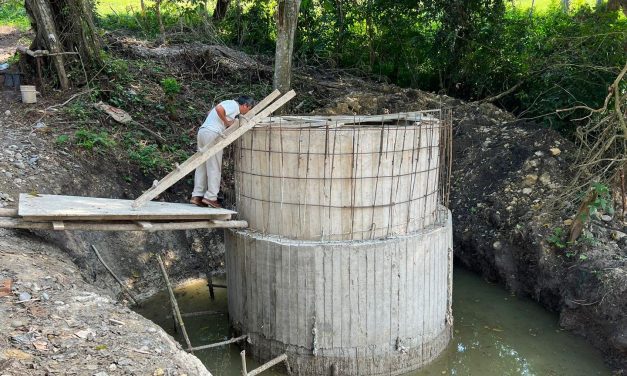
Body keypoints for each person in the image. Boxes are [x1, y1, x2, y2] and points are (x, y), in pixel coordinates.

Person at [191, 96, 254, 208]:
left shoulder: (228, 103)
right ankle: (211, 198)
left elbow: (210, 111)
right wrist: (227, 122)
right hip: (212, 133)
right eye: (248, 109)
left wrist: (222, 121)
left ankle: (197, 196)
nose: (246, 112)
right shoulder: (234, 106)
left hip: (203, 131)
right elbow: (219, 109)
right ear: (245, 105)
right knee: (214, 166)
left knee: (202, 165)